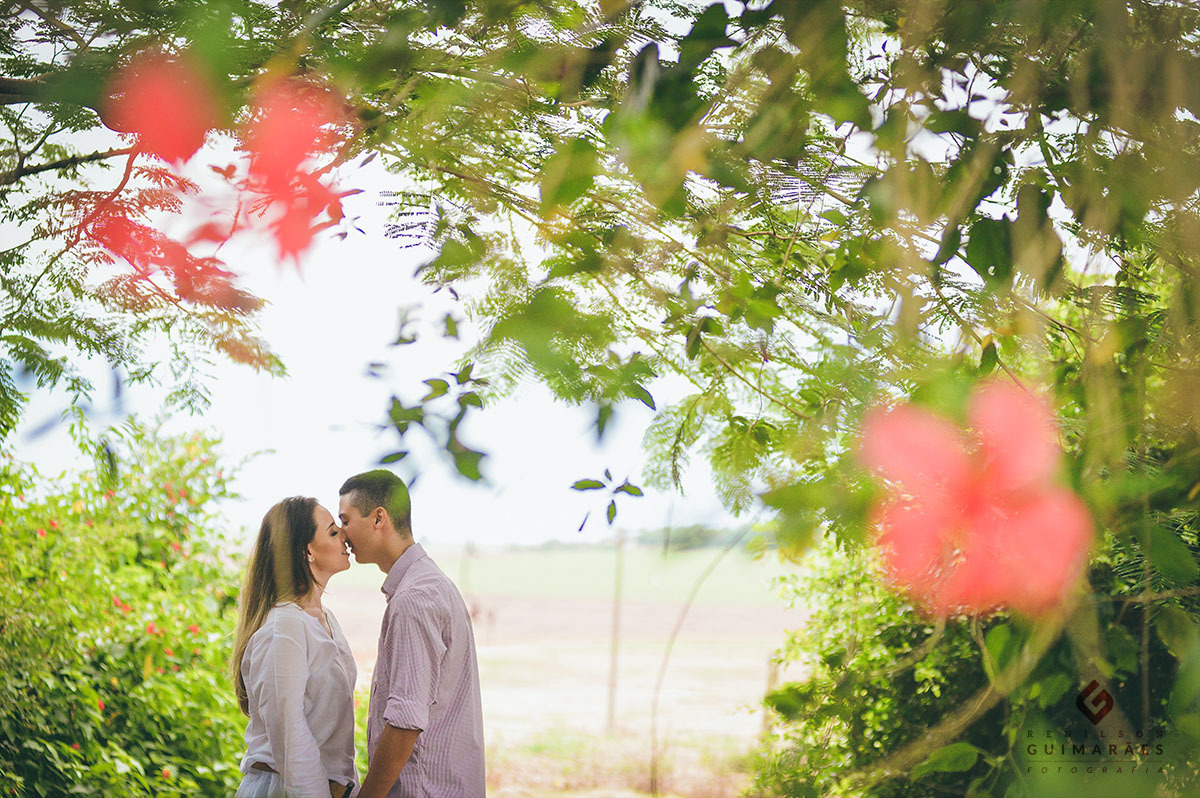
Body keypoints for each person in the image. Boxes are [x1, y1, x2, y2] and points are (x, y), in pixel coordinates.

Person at [338, 470, 485, 797]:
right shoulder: (427, 586)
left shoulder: (414, 599)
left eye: (345, 520)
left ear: (378, 518)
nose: (342, 534)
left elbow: (405, 722)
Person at [231, 496, 359, 798]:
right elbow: (290, 737)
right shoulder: (284, 627)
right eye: (331, 531)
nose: (344, 535)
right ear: (307, 552)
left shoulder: (325, 619)